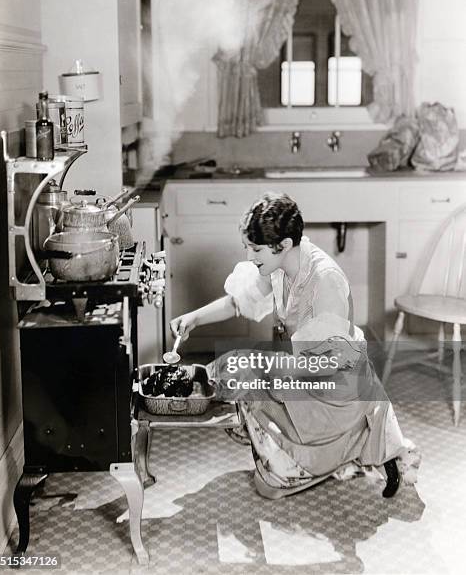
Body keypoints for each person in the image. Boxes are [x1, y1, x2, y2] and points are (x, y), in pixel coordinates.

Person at [170, 192, 420, 499]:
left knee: (243, 377)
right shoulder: (279, 264)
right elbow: (239, 301)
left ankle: (346, 448)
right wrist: (194, 318)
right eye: (248, 247)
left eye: (255, 249)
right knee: (234, 373)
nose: (250, 256)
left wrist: (268, 374)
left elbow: (328, 365)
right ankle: (316, 455)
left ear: (284, 245)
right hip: (306, 372)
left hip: (335, 389)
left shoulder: (325, 281)